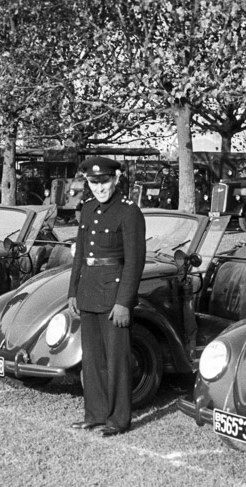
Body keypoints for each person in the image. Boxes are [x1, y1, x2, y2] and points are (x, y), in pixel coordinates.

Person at [68, 157, 146, 436]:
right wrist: (73, 292)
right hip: (88, 292)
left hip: (114, 296)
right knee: (92, 360)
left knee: (116, 361)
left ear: (116, 180)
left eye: (104, 182)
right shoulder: (87, 209)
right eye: (94, 182)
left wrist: (124, 302)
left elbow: (135, 261)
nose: (99, 188)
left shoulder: (129, 212)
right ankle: (96, 414)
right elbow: (80, 254)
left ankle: (118, 419)